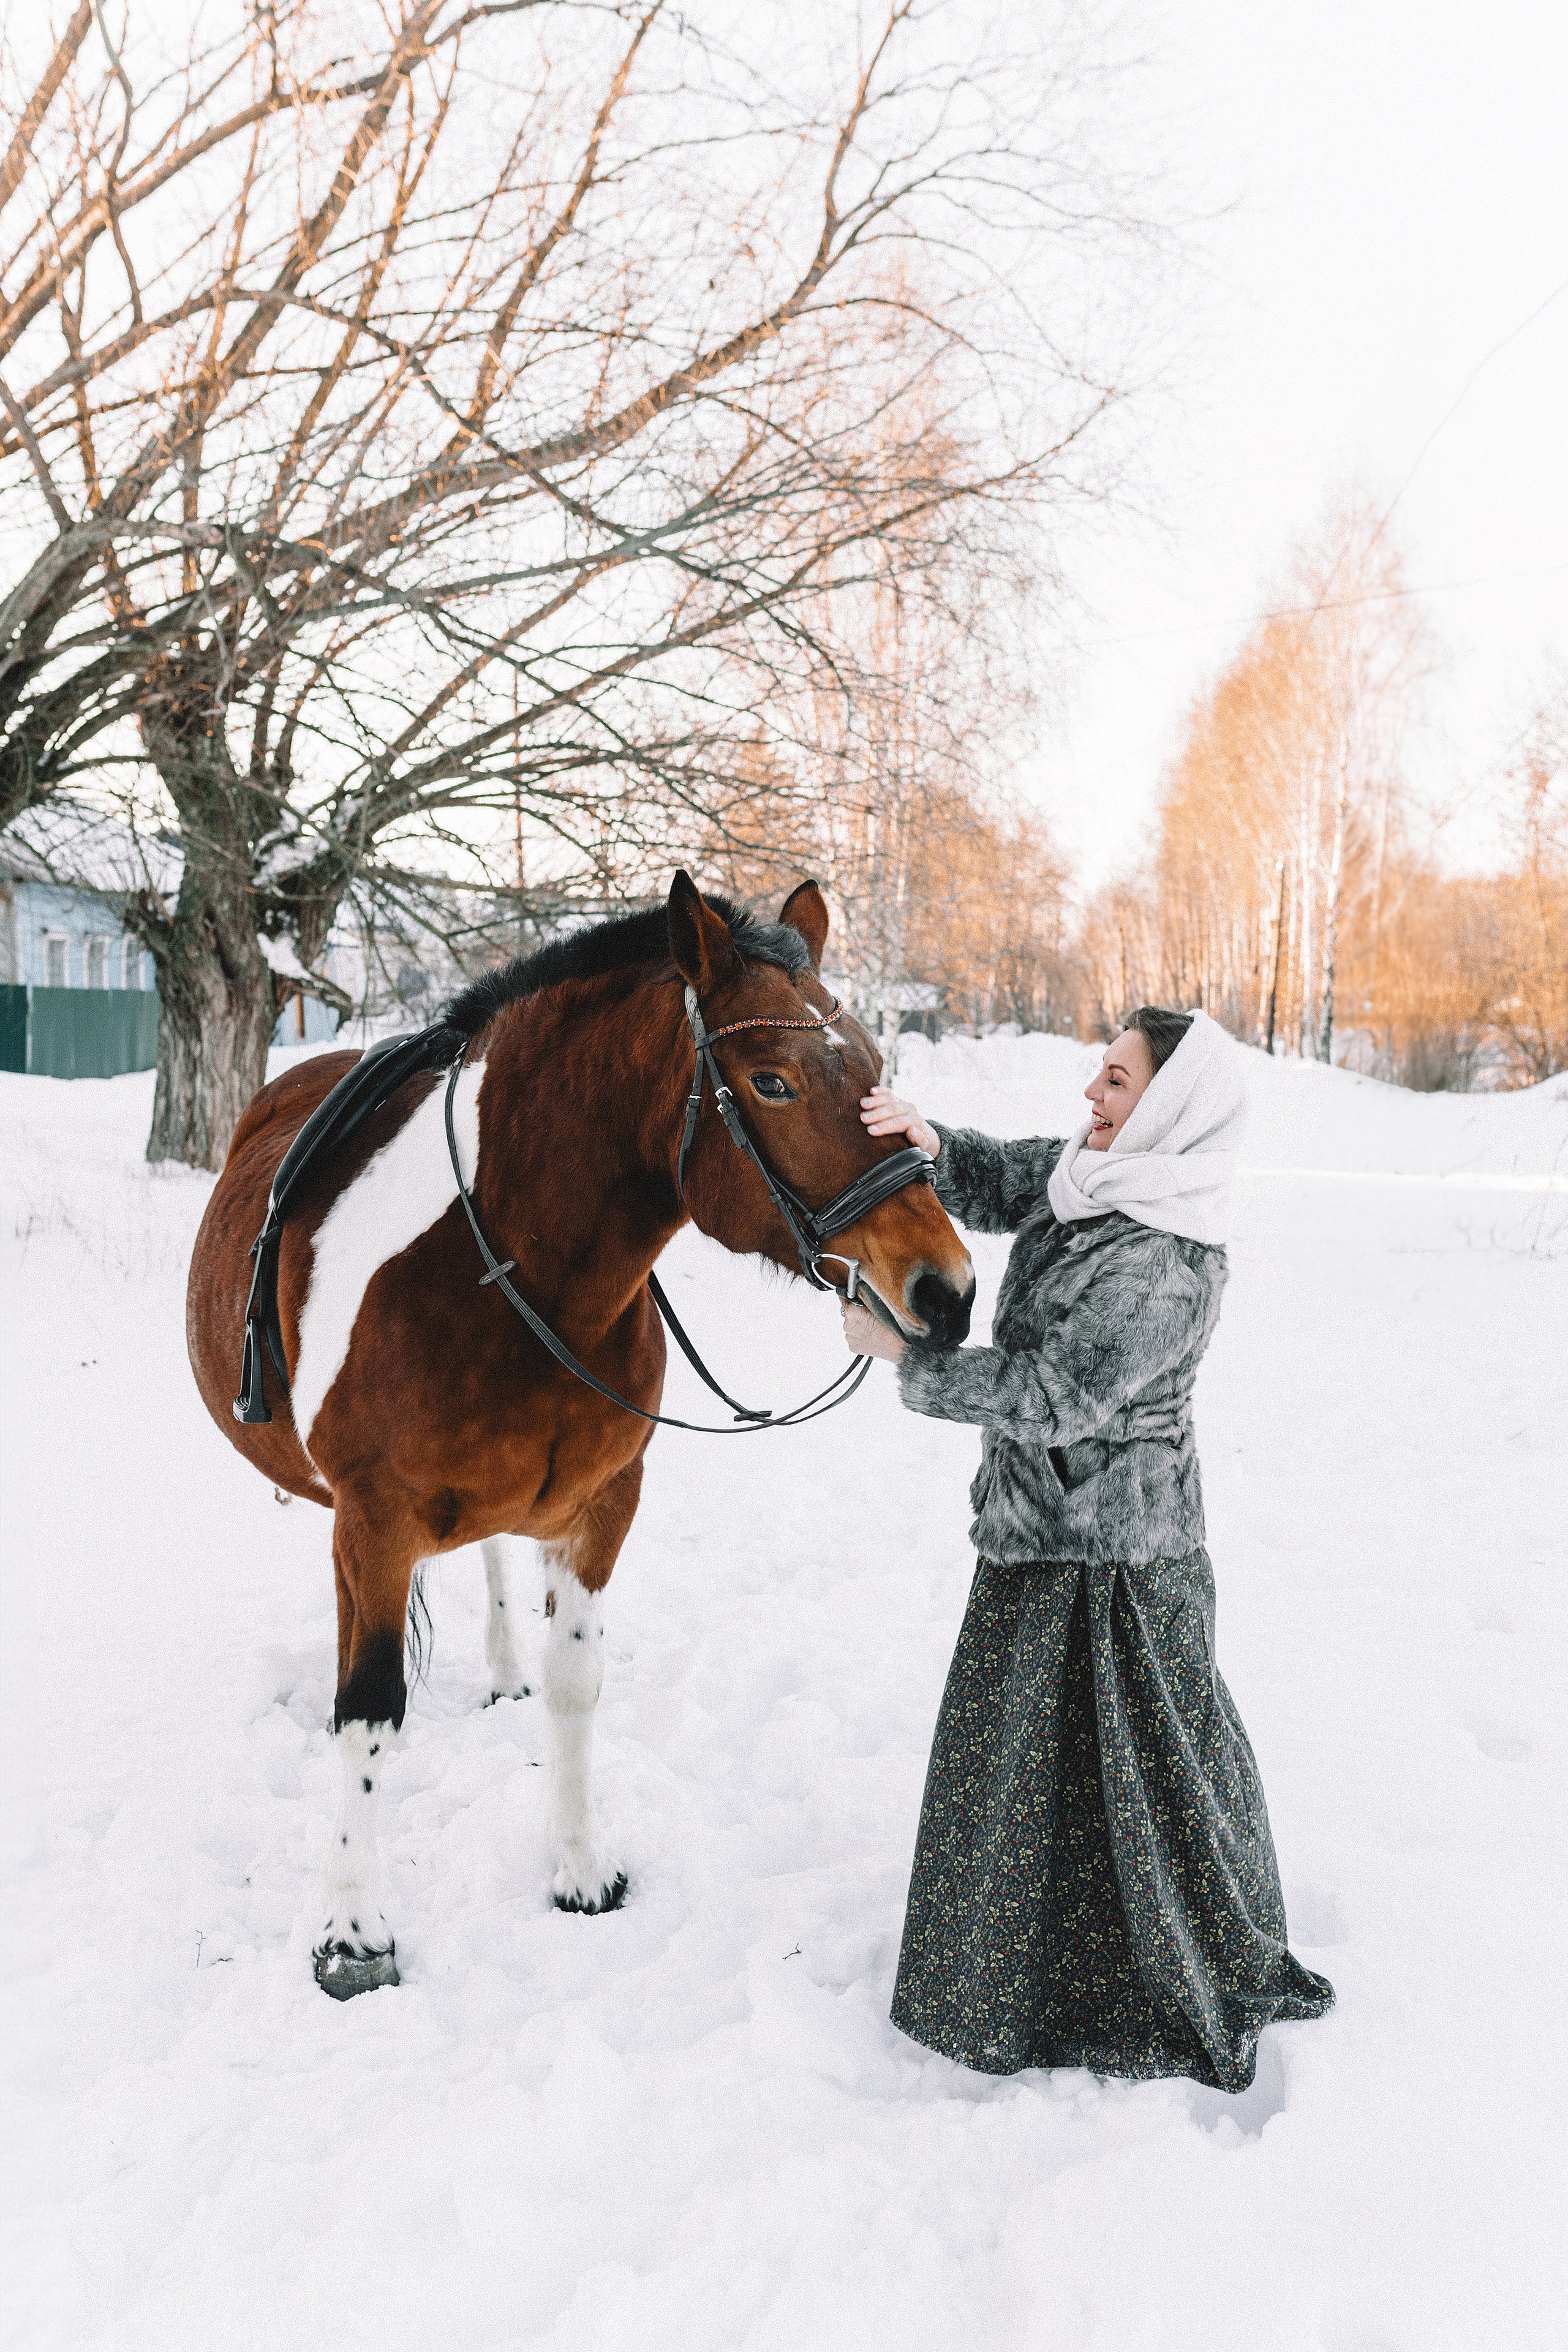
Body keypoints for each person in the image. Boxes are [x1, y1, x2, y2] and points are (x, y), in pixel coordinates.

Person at [844, 1008, 1333, 2091]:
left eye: (1116, 1083)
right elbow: (1024, 1177)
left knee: (1137, 1783)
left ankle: (1157, 1981)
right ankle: (1018, 1977)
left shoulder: (1164, 1255)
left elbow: (1054, 1394)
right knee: (1023, 1773)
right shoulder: (1106, 1177)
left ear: (1167, 1109)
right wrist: (930, 1143)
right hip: (1039, 1533)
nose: (1092, 1099)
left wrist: (909, 1360)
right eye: (1099, 1076)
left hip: (1117, 1558)